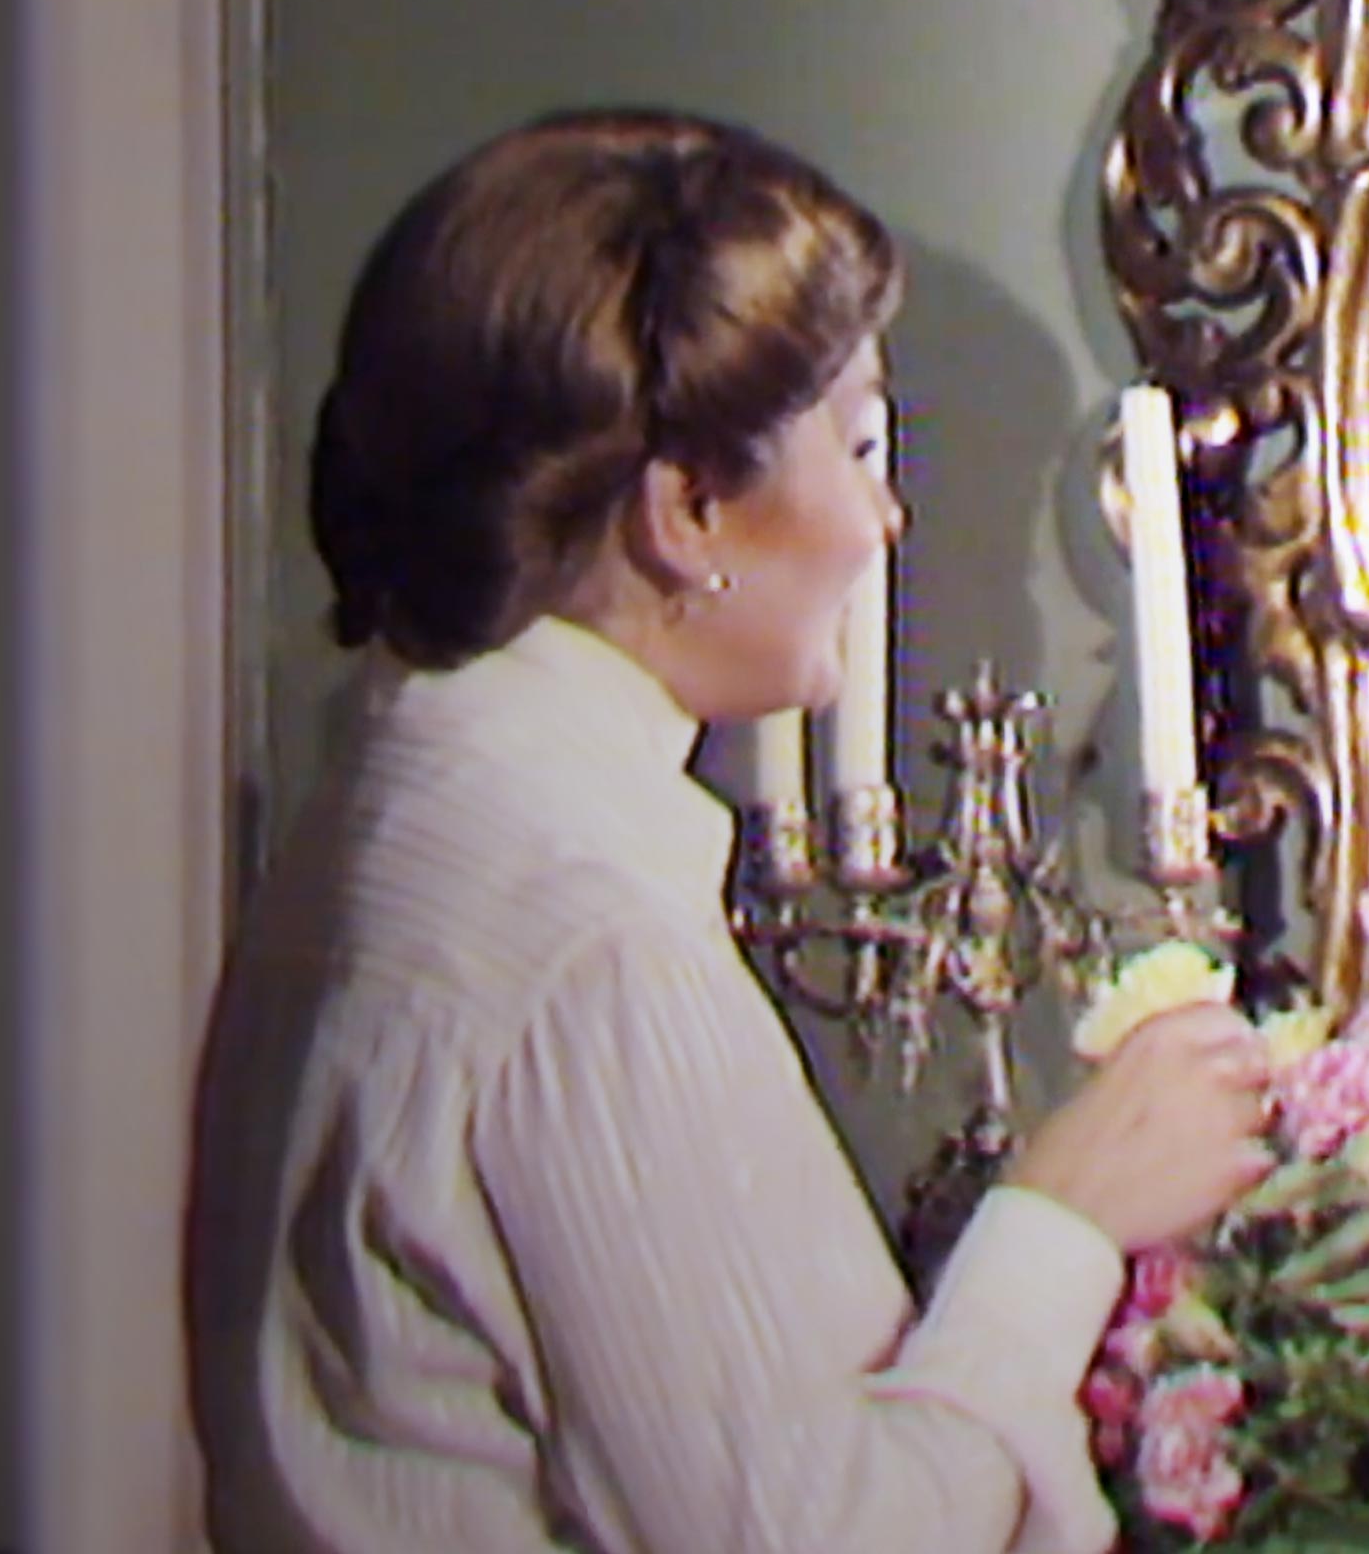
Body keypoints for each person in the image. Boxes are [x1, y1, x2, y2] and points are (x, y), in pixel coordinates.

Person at [182, 109, 1272, 1554]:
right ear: (687, 509)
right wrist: (1061, 1218)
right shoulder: (584, 935)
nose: (884, 516)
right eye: (858, 442)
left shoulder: (396, 820)